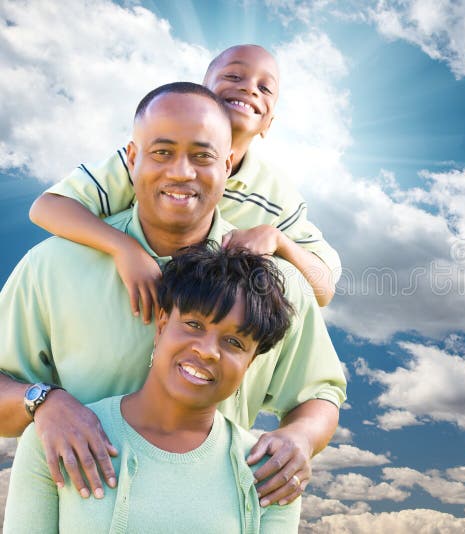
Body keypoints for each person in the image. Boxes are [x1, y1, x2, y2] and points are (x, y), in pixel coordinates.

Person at [0, 82, 345, 509]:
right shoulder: (51, 266)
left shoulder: (277, 284)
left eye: (203, 156)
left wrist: (299, 438)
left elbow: (320, 393)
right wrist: (43, 402)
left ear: (229, 163)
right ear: (132, 157)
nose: (182, 172)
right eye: (162, 152)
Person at [4, 245, 301, 533]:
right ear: (161, 327)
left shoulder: (272, 473)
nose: (208, 351)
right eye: (194, 324)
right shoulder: (57, 438)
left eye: (235, 343)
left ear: (249, 364)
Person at [29, 44, 339, 320]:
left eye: (265, 87)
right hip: (116, 310)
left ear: (268, 124)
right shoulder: (150, 161)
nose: (249, 89)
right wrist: (124, 248)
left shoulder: (276, 194)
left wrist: (278, 240)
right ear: (201, 93)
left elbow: (323, 289)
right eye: (234, 77)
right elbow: (47, 207)